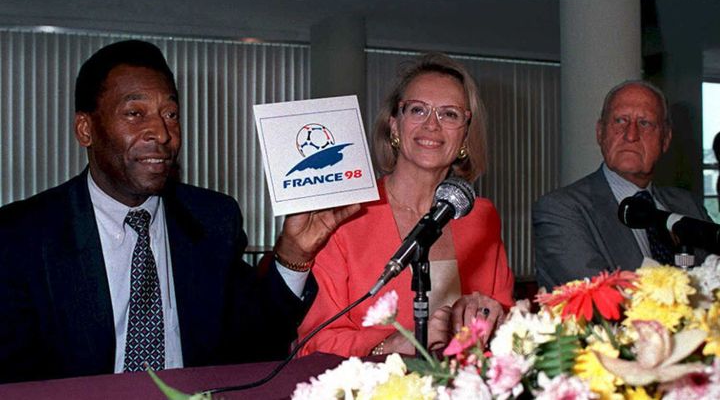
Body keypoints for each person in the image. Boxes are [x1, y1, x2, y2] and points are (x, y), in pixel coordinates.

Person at [0, 40, 357, 383]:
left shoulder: (213, 219)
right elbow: (16, 380)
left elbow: (254, 345)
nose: (161, 132)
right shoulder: (22, 236)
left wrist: (294, 254)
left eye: (170, 114)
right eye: (135, 113)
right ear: (85, 129)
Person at [296, 53, 515, 358]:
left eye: (449, 114)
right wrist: (393, 346)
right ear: (395, 126)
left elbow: (507, 325)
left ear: (466, 134)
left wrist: (493, 318)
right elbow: (314, 343)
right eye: (417, 110)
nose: (432, 125)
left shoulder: (481, 216)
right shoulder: (345, 214)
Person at [533, 80, 712, 290]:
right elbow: (598, 299)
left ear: (665, 140)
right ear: (600, 133)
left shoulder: (687, 206)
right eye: (620, 121)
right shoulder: (561, 210)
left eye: (645, 123)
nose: (631, 135)